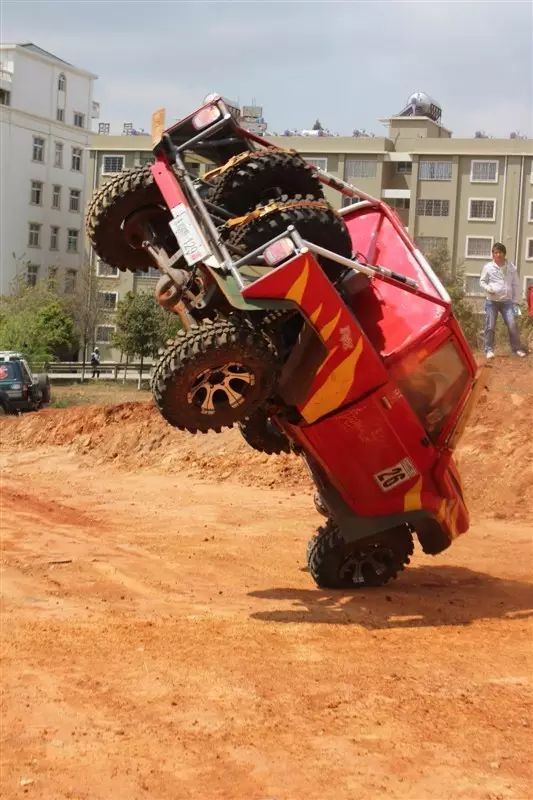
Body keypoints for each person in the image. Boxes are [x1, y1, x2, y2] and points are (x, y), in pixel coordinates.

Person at [479, 243, 526, 360]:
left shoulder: (511, 267)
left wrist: (515, 301)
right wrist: (488, 289)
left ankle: (517, 349)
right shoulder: (488, 267)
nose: (498, 254)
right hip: (492, 302)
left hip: (508, 302)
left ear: (504, 253)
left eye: (500, 252)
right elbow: (482, 281)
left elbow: (516, 284)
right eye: (495, 252)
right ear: (493, 255)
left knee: (512, 325)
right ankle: (489, 350)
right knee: (490, 326)